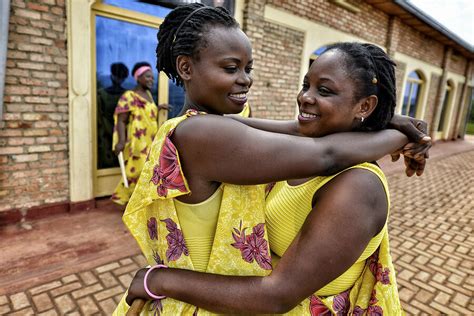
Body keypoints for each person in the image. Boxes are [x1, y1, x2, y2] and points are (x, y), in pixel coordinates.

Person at [115, 4, 429, 315]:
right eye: (230, 68)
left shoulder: (357, 184)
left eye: (247, 69)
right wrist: (401, 134)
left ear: (364, 106)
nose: (245, 80)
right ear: (186, 68)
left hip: (211, 294)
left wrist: (390, 121)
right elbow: (325, 154)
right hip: (200, 300)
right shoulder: (199, 132)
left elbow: (298, 130)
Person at [111, 62, 164, 205]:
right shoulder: (129, 96)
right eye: (148, 76)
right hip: (137, 141)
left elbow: (146, 111)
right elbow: (121, 120)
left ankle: (136, 200)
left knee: (146, 170)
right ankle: (126, 199)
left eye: (152, 77)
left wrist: (159, 108)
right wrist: (121, 141)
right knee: (137, 171)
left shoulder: (148, 95)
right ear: (138, 77)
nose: (151, 80)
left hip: (150, 140)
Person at [97, 62, 129, 169]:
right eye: (118, 76)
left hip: (118, 134)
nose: (119, 80)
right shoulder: (102, 94)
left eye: (121, 77)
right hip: (109, 134)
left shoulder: (128, 95)